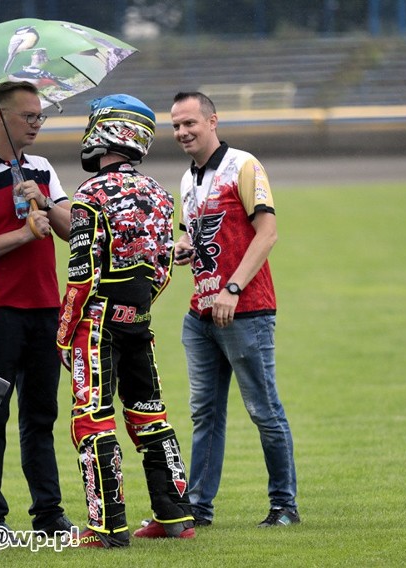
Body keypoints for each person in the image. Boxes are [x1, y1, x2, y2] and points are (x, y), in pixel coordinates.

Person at [56, 94, 195, 548]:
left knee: (92, 421)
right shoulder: (160, 194)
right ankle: (175, 515)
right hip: (139, 321)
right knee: (150, 415)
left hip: (94, 326)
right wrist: (136, 308)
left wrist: (64, 335)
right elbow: (162, 270)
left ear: (104, 132)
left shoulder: (89, 195)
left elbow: (81, 276)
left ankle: (108, 527)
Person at [169, 91, 300, 528]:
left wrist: (233, 286)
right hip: (201, 314)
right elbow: (199, 236)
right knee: (205, 413)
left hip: (245, 310)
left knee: (265, 411)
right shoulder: (187, 180)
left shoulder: (243, 165)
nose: (183, 132)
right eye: (176, 126)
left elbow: (268, 232)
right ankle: (199, 508)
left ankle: (284, 505)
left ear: (212, 121)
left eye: (190, 123)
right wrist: (185, 247)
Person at [0, 81, 74, 541]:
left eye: (40, 116)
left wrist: (43, 202)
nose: (37, 123)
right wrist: (24, 234)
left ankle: (48, 515)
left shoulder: (41, 168)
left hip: (46, 309)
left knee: (41, 418)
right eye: (29, 116)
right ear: (1, 117)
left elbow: (71, 228)